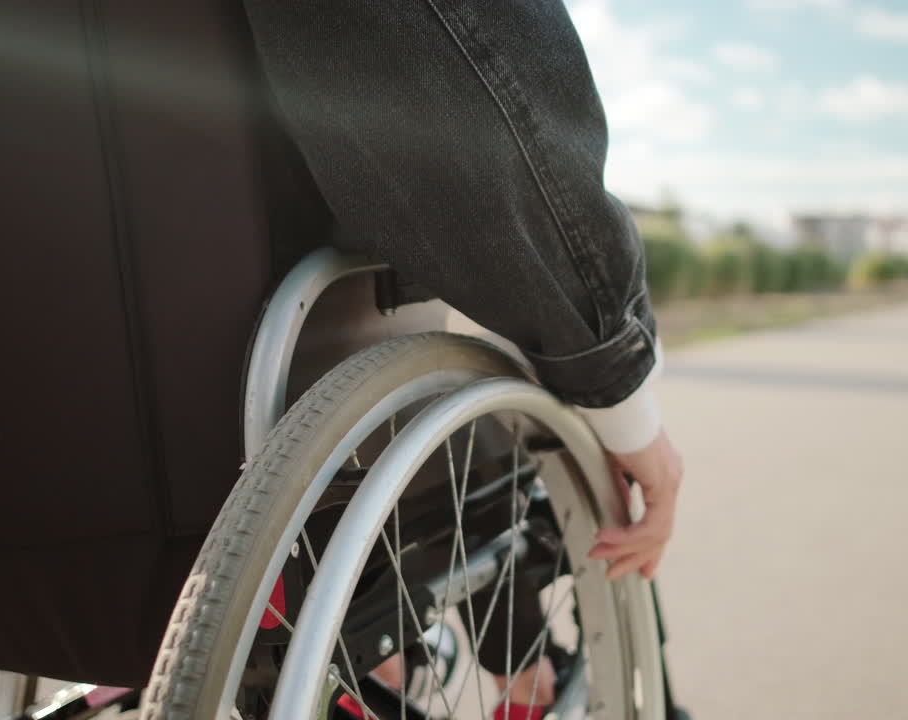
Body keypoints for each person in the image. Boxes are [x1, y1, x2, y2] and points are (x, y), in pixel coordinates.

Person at [240, 1, 684, 717]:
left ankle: (433, 672)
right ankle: (528, 682)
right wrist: (623, 400)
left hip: (51, 529)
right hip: (300, 430)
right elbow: (486, 122)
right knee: (525, 431)